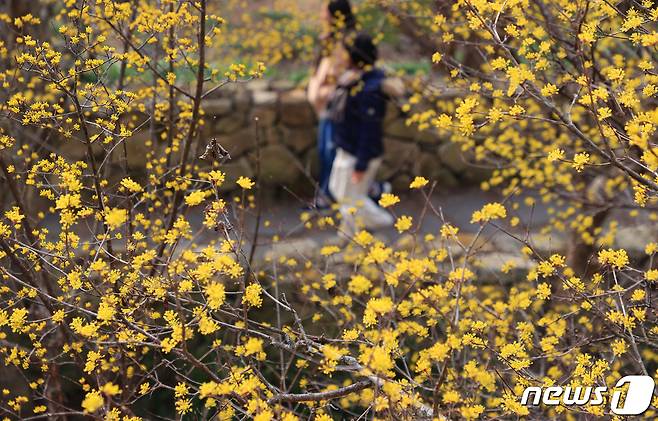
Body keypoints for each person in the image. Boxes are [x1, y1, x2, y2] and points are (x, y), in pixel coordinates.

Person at [328, 32, 395, 236]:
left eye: (346, 54)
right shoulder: (355, 79)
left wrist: (361, 165)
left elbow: (369, 130)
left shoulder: (369, 88)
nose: (343, 57)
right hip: (347, 147)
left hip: (358, 153)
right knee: (339, 191)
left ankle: (381, 222)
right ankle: (350, 231)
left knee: (350, 199)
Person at [307, 0, 356, 209]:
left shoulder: (349, 41)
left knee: (331, 151)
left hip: (340, 104)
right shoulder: (330, 40)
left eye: (325, 11)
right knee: (325, 150)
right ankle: (328, 194)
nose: (321, 15)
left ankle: (329, 195)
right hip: (327, 105)